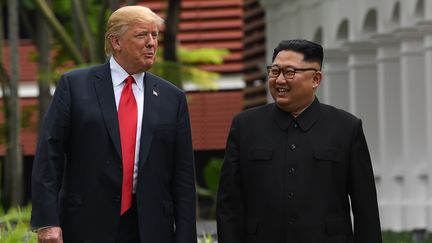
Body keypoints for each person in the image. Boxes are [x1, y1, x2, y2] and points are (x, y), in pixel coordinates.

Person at [31, 5, 197, 243]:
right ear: (116, 42)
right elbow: (49, 156)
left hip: (150, 229)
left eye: (155, 35)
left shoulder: (173, 98)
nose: (151, 43)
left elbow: (183, 178)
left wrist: (185, 237)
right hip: (85, 226)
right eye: (142, 35)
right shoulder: (74, 86)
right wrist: (47, 222)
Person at [216, 39, 382, 243]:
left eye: (289, 72)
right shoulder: (245, 126)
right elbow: (228, 204)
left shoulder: (346, 128)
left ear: (315, 79)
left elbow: (365, 209)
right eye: (275, 71)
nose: (280, 80)